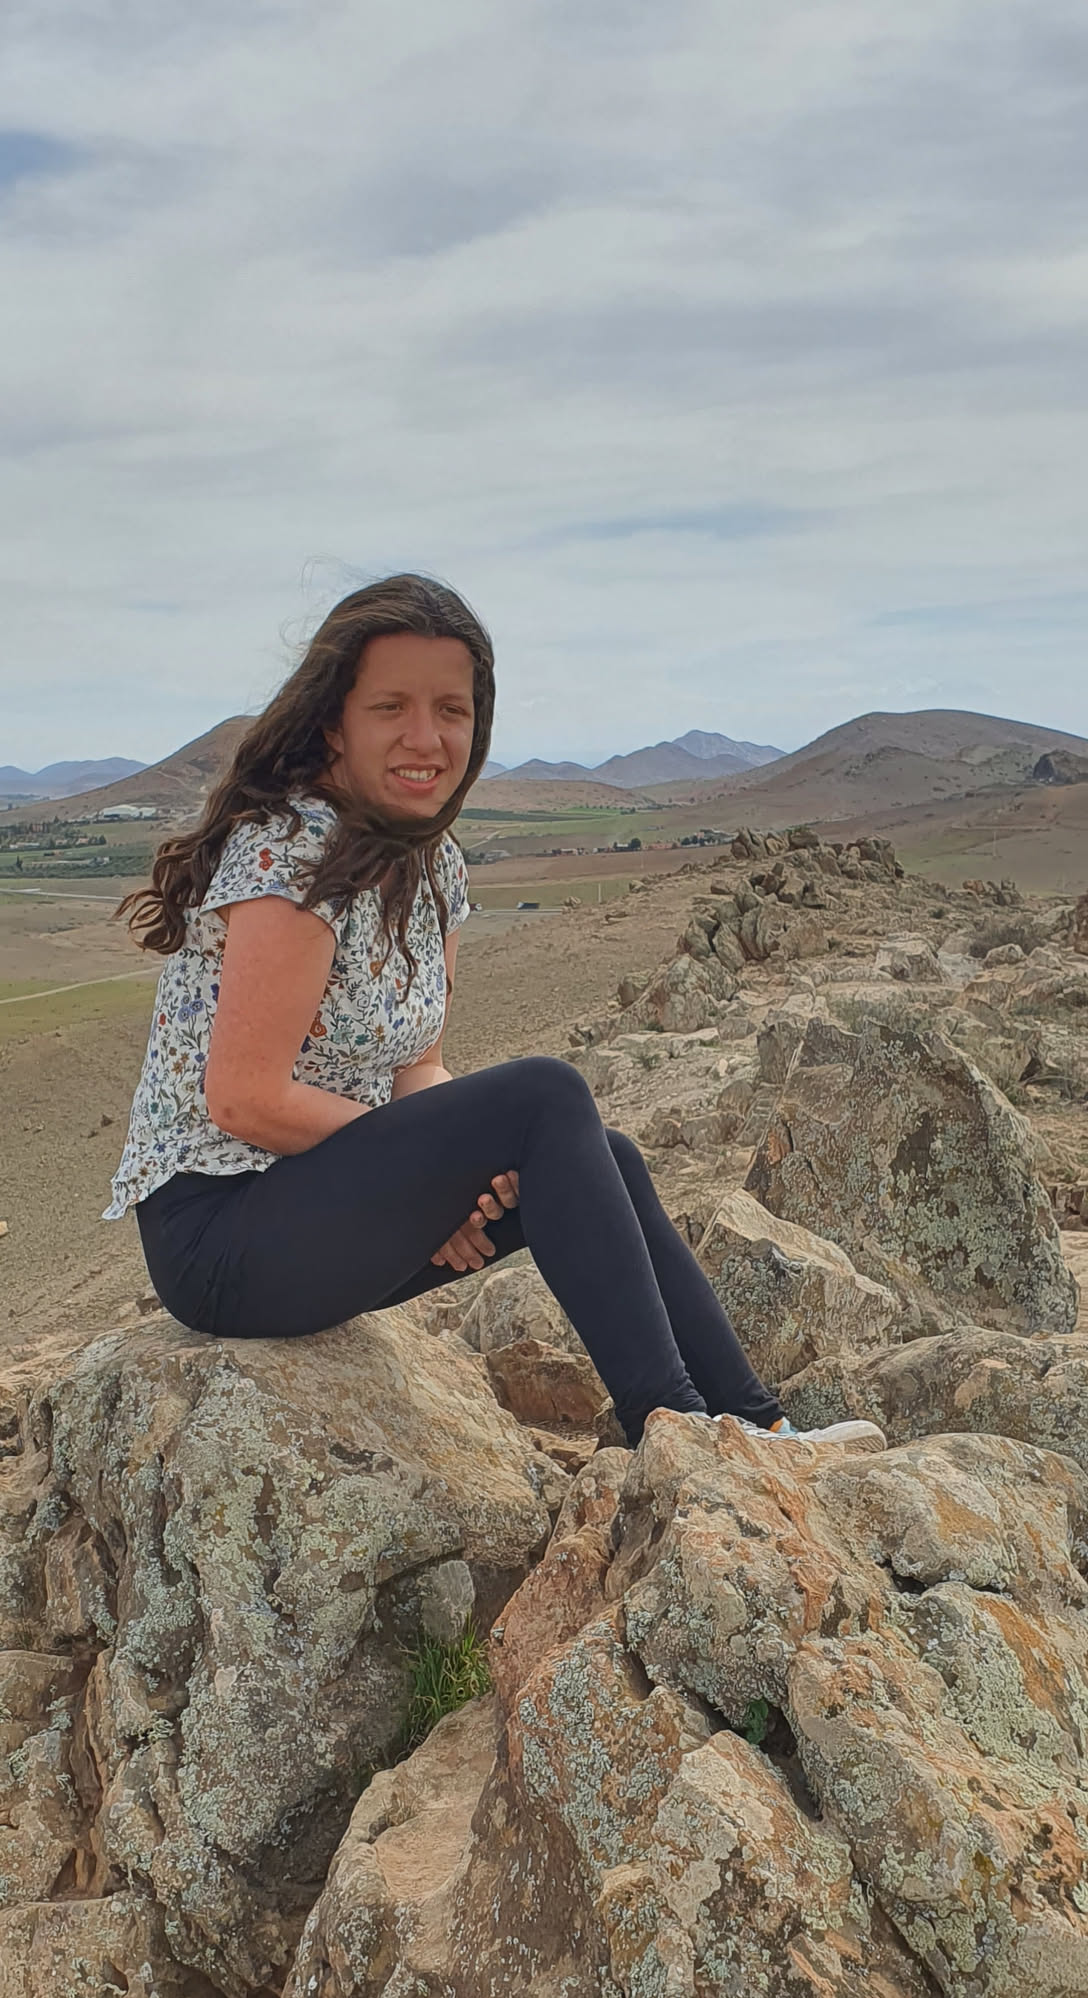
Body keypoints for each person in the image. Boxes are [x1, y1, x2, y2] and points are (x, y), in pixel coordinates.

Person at [105, 575, 874, 1452]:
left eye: (452, 710)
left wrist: (455, 1181)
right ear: (334, 723)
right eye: (391, 707)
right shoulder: (293, 850)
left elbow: (418, 1070)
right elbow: (243, 1096)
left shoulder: (431, 863)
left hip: (320, 1202)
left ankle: (758, 1426)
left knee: (604, 1159)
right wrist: (432, 1178)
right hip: (220, 1238)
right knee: (546, 1097)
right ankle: (673, 1430)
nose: (426, 738)